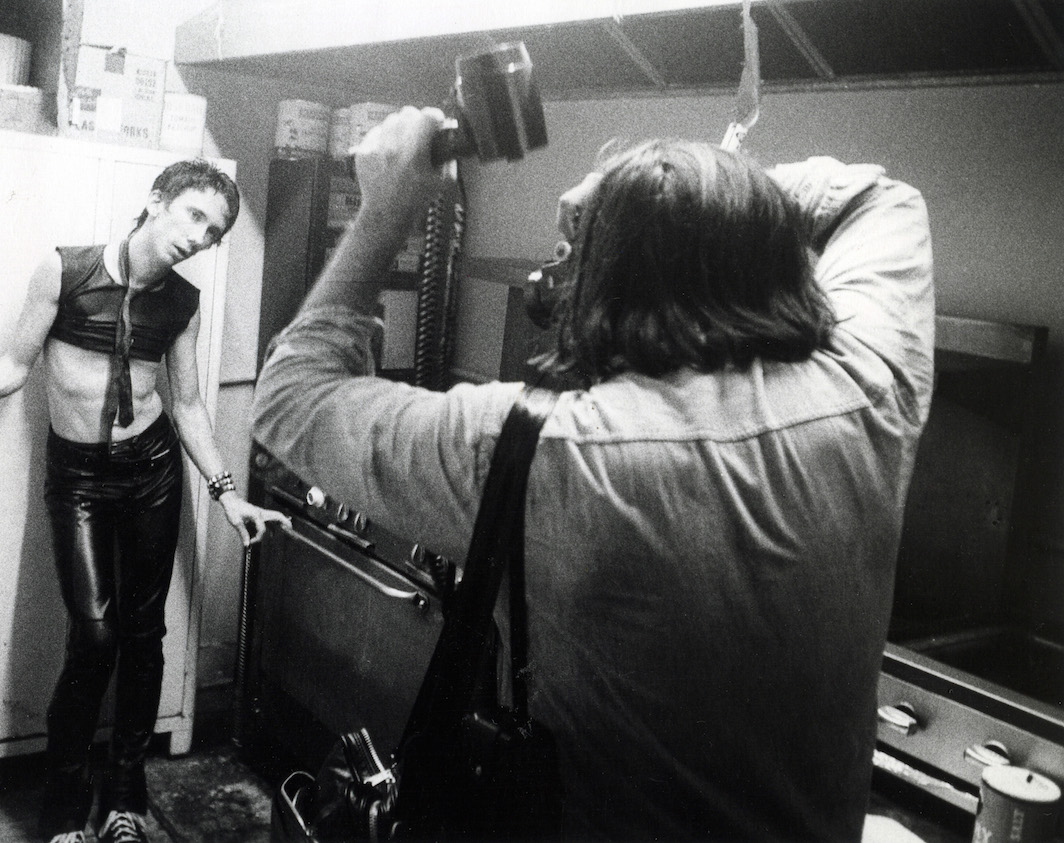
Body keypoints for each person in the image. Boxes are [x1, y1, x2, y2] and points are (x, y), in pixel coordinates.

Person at [252, 107, 934, 840]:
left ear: (599, 285)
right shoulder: (867, 392)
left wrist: (387, 209)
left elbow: (291, 398)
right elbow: (876, 196)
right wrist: (678, 195)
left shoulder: (535, 449)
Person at [0, 158, 291, 843]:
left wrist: (227, 495)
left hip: (151, 472)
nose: (199, 237)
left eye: (213, 233)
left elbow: (184, 404)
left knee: (145, 633)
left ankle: (126, 793)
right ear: (157, 201)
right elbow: (11, 367)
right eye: (194, 216)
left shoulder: (182, 302)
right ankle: (67, 810)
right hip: (80, 480)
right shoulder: (66, 270)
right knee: (94, 635)